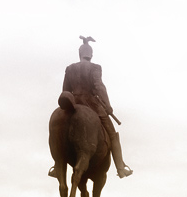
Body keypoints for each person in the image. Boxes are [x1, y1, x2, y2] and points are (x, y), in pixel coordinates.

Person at [51, 36, 132, 179]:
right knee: (112, 135)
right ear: (91, 54)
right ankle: (120, 168)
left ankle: (57, 168)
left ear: (80, 54)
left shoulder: (70, 68)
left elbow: (65, 90)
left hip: (73, 103)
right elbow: (99, 87)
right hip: (92, 104)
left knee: (58, 134)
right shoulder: (95, 67)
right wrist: (108, 106)